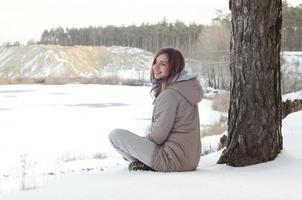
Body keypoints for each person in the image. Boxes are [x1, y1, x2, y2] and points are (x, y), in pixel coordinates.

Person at [109, 48, 203, 172]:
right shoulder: (185, 89)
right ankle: (143, 162)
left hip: (171, 160)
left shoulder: (170, 94)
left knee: (115, 136)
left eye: (162, 64)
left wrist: (138, 146)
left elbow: (158, 137)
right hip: (190, 160)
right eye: (155, 62)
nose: (155, 67)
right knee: (149, 128)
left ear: (174, 67)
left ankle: (144, 164)